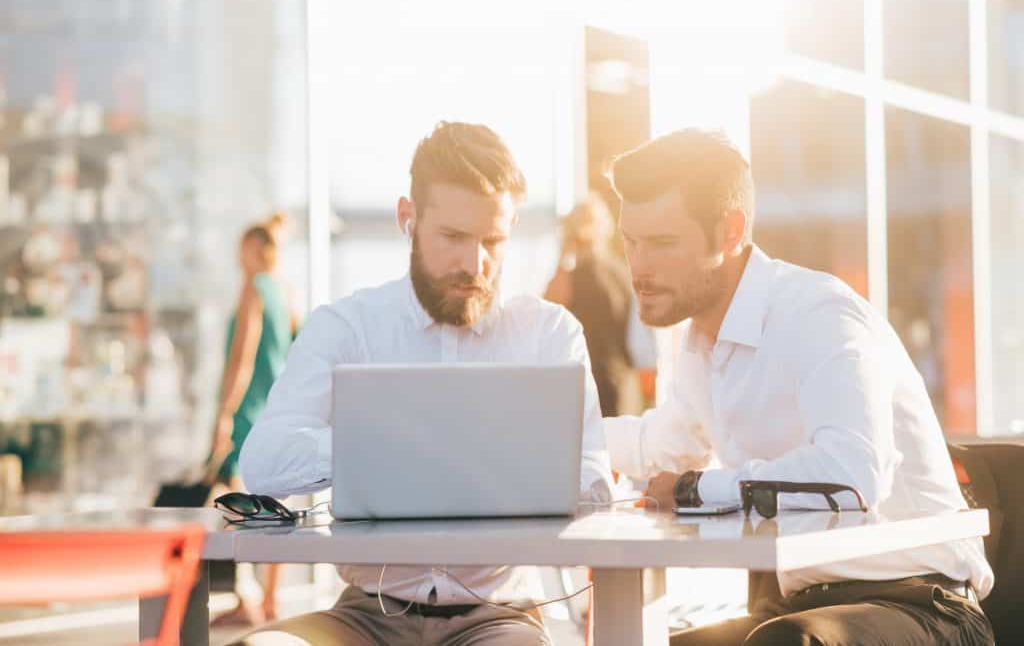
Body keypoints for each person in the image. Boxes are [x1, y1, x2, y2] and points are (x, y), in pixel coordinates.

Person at [601, 129, 995, 645]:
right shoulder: (700, 344)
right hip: (806, 607)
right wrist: (557, 436)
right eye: (630, 242)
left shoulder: (818, 315)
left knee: (787, 642)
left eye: (662, 243)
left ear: (729, 232)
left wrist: (695, 489)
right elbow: (659, 447)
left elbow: (851, 475)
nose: (638, 267)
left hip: (923, 606)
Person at [233, 121, 614, 645]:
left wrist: (479, 460)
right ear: (407, 219)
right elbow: (263, 462)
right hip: (363, 617)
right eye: (453, 237)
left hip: (497, 617)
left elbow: (594, 484)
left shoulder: (550, 334)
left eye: (493, 241)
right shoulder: (347, 327)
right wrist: (391, 450)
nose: (474, 263)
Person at [211, 212, 299, 626]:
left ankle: (244, 595)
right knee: (277, 506)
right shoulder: (286, 291)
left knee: (232, 505)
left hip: (249, 413)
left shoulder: (254, 289)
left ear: (251, 250)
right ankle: (270, 599)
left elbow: (241, 358)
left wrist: (225, 413)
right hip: (279, 411)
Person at [545, 195, 639, 416]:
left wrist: (563, 254)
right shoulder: (622, 273)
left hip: (586, 383)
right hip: (621, 379)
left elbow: (546, 315)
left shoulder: (573, 276)